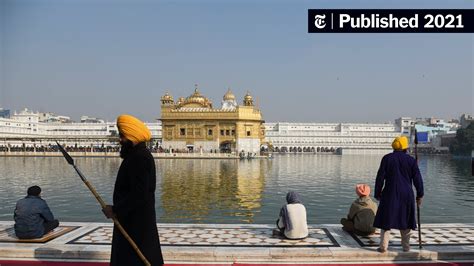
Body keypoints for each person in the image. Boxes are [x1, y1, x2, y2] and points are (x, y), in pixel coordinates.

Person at [102, 114, 164, 266]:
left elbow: (139, 195)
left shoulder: (139, 158)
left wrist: (115, 209)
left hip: (136, 224)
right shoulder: (137, 155)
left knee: (133, 259)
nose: (120, 140)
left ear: (132, 136)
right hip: (133, 220)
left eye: (122, 136)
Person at [373, 136, 424, 253]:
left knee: (386, 220)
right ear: (405, 148)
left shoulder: (387, 159)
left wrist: (377, 193)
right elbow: (418, 179)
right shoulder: (411, 161)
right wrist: (420, 194)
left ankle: (383, 247)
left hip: (389, 193)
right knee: (406, 220)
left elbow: (380, 178)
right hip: (407, 194)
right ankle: (406, 247)